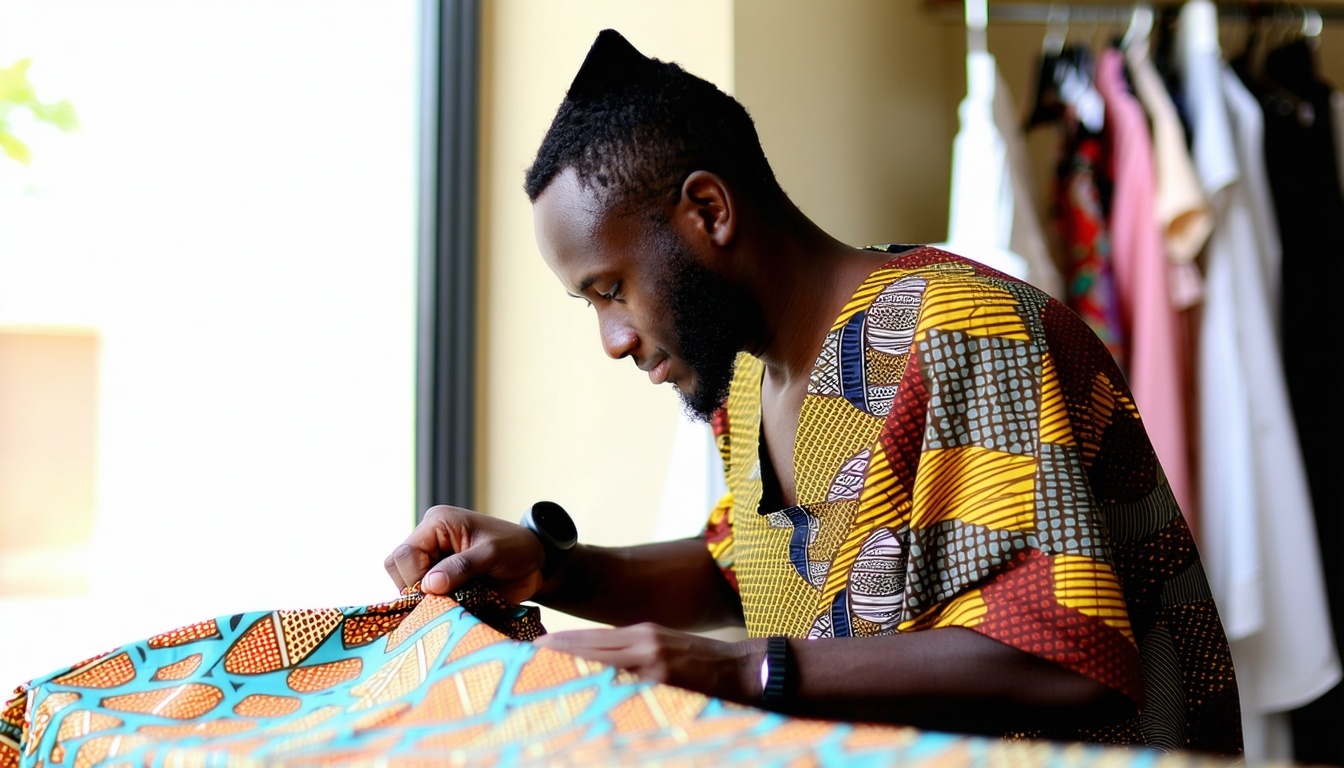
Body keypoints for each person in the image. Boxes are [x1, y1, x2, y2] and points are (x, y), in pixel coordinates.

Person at [385, 29, 1240, 751]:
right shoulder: (747, 379)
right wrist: (554, 569)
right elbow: (745, 572)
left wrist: (733, 669)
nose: (612, 340)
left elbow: (1061, 659)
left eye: (611, 290)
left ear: (710, 212)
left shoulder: (965, 335)